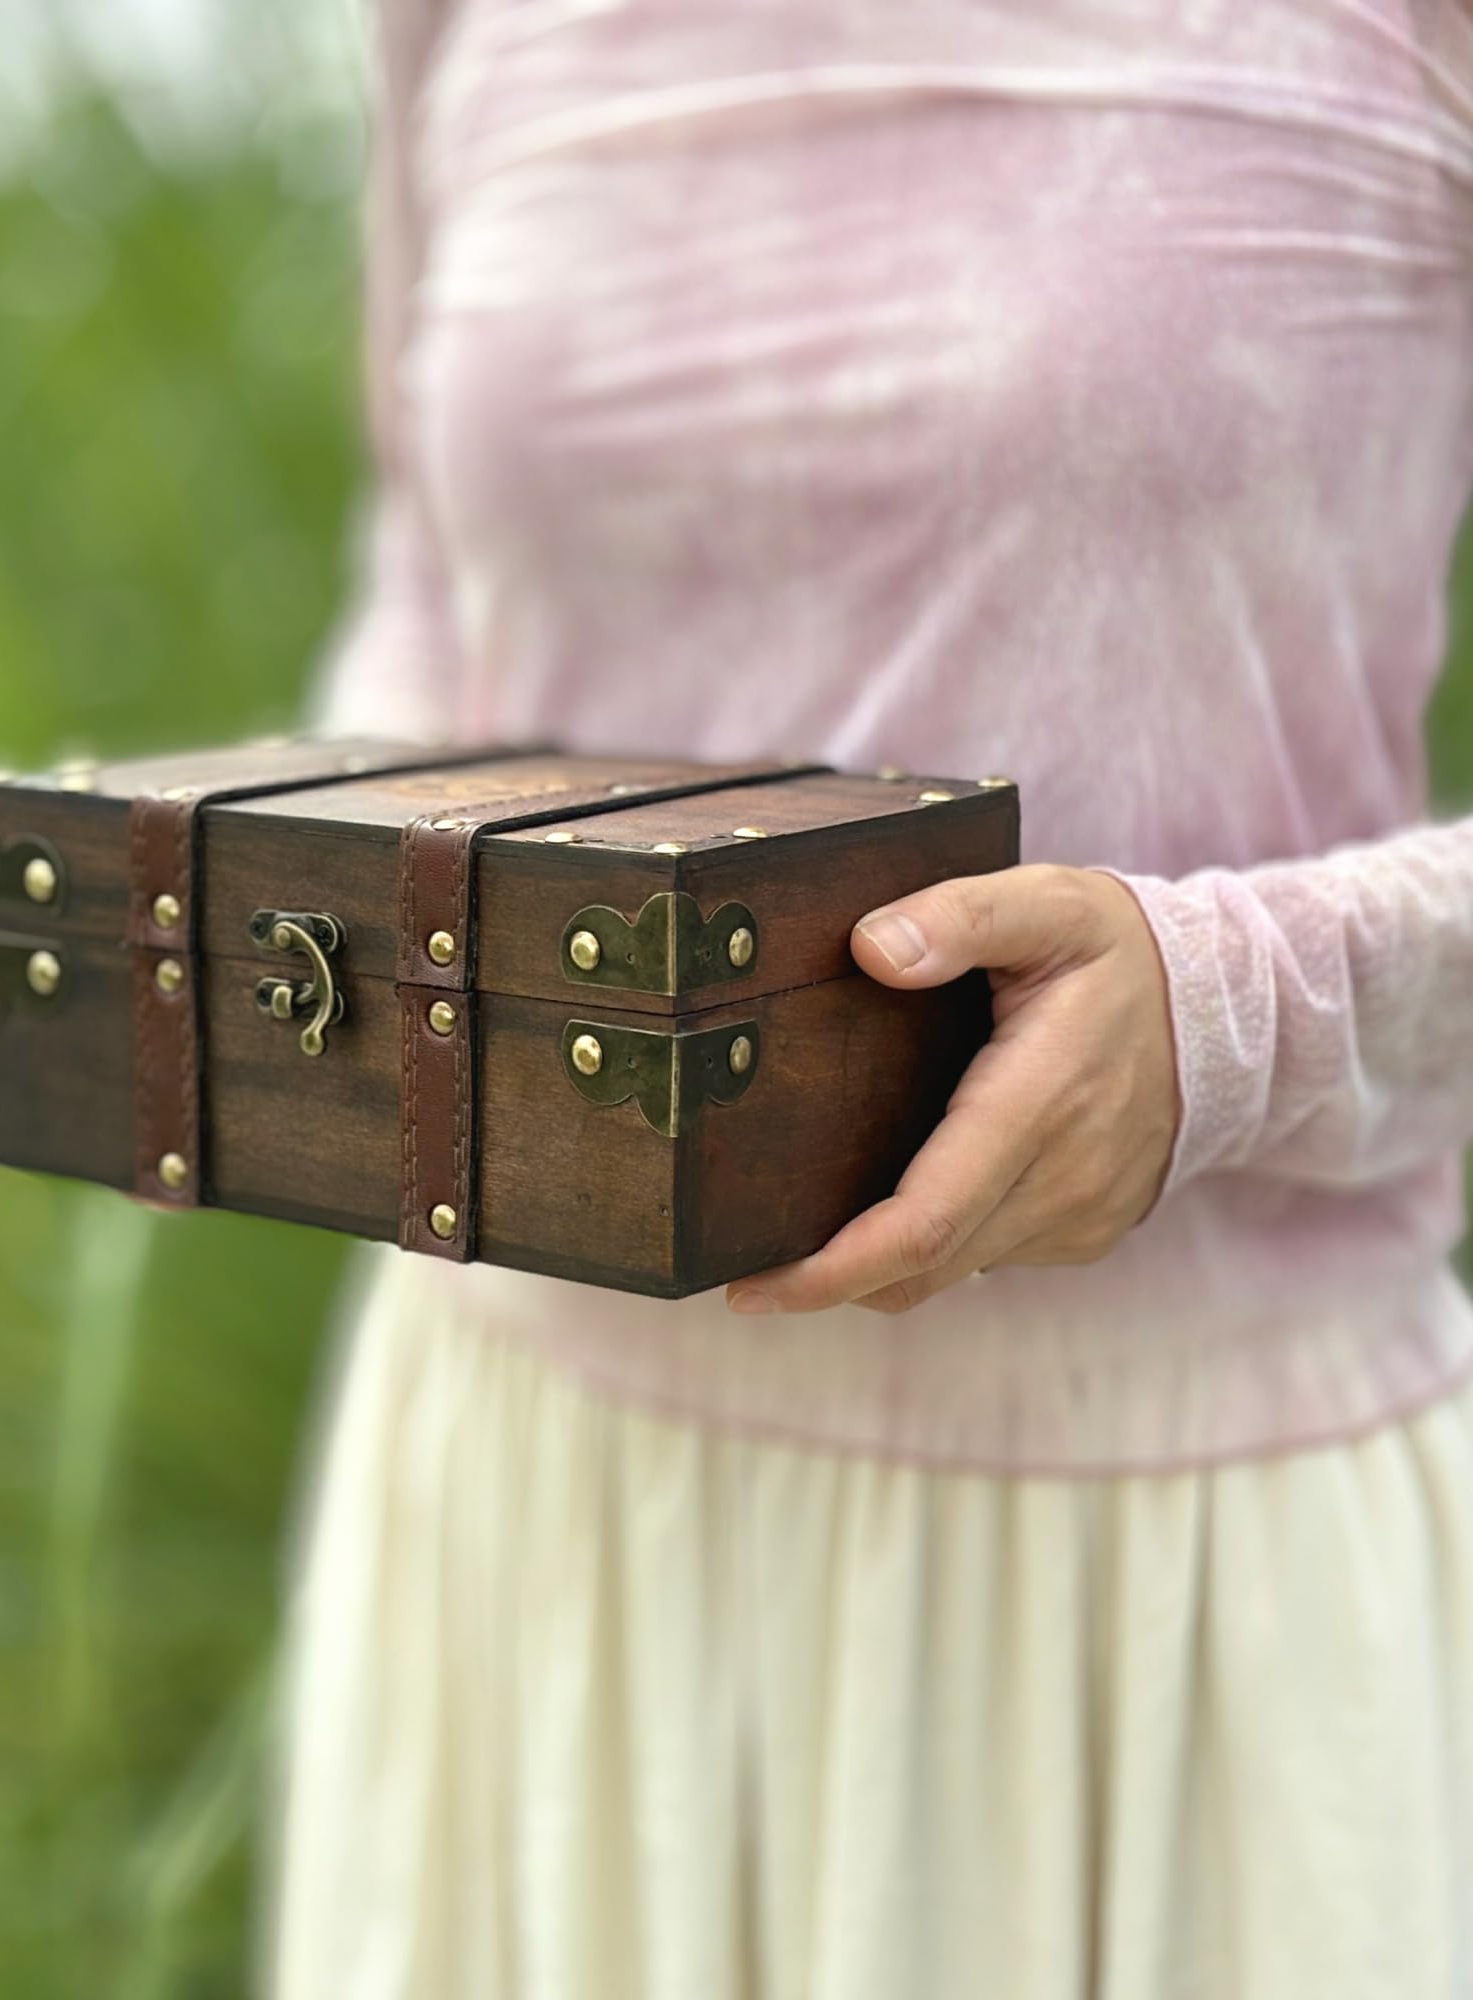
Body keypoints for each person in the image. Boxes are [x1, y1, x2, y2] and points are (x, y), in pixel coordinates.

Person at [266, 4, 1473, 1995]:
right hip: (532, 1495)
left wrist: (1232, 1013)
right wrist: (307, 923)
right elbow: (425, 561)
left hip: (1160, 1588)